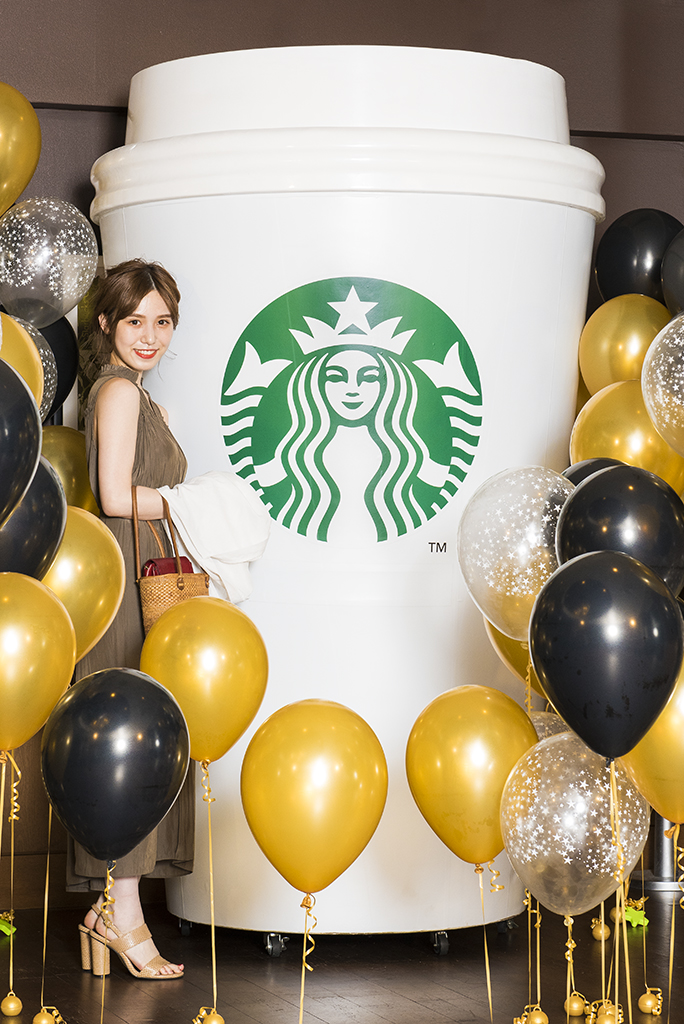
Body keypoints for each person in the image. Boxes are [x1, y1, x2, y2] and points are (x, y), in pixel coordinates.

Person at [70, 259, 193, 979]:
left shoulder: (139, 398)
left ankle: (108, 913)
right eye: (135, 320)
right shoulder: (118, 392)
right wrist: (196, 500)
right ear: (106, 324)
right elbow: (116, 497)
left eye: (163, 321)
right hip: (124, 584)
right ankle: (124, 917)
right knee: (133, 740)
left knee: (146, 739)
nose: (150, 335)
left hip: (148, 580)